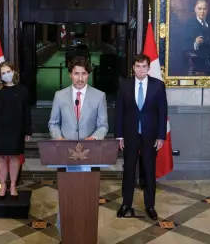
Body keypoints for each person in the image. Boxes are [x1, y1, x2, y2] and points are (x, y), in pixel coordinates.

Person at [48, 56, 109, 235]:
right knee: (67, 195)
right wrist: (59, 139)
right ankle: (65, 233)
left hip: (89, 155)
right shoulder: (59, 96)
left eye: (83, 74)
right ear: (70, 75)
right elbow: (53, 123)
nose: (80, 78)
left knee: (86, 196)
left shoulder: (99, 96)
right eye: (76, 74)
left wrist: (94, 139)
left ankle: (86, 232)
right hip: (65, 154)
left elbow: (103, 125)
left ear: (88, 75)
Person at [116, 54, 168, 220]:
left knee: (149, 171)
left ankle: (150, 206)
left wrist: (161, 137)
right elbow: (119, 112)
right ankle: (126, 204)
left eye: (144, 66)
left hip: (150, 136)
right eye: (137, 66)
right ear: (133, 67)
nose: (140, 70)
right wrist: (119, 136)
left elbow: (162, 113)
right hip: (130, 135)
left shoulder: (158, 86)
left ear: (148, 68)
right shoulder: (124, 85)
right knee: (129, 170)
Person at [0, 61, 32, 198]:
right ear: (0, 76)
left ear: (14, 72)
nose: (6, 75)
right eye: (3, 73)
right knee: (1, 157)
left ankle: (12, 185)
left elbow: (26, 112)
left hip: (16, 129)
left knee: (14, 157)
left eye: (8, 71)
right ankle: (3, 184)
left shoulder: (22, 90)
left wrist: (28, 130)